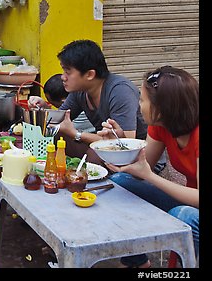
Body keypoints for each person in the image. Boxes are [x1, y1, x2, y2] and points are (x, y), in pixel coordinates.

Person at [99, 66, 199, 268]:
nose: (139, 105)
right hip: (188, 198)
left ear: (161, 108)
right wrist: (118, 142)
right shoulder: (161, 126)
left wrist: (151, 177)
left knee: (184, 215)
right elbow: (138, 169)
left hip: (193, 205)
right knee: (121, 183)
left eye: (142, 100)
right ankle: (136, 262)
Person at [28, 39, 148, 166]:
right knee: (57, 135)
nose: (63, 77)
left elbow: (126, 144)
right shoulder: (80, 91)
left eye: (68, 72)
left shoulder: (120, 91)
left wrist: (76, 134)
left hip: (138, 160)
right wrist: (42, 108)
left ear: (90, 74)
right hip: (107, 148)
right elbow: (59, 120)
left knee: (94, 154)